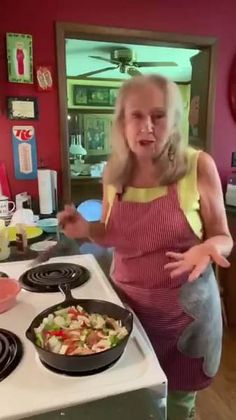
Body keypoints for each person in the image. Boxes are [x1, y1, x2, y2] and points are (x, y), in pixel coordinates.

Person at [58, 74, 233, 420]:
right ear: (122, 122)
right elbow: (112, 233)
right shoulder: (114, 173)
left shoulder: (198, 166)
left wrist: (208, 248)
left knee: (180, 406)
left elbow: (225, 238)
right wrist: (86, 229)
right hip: (128, 315)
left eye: (158, 115)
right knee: (133, 402)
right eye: (136, 115)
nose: (147, 126)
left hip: (186, 319)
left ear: (174, 121)